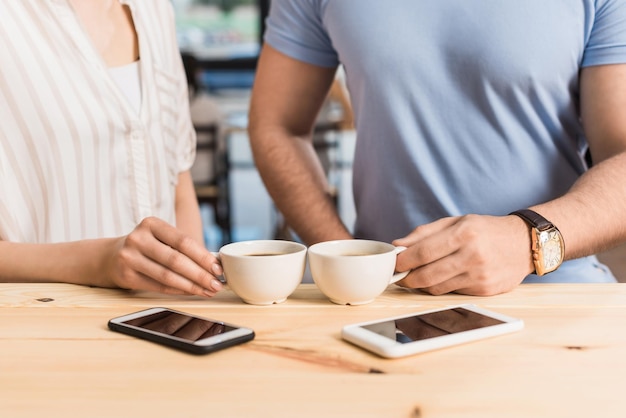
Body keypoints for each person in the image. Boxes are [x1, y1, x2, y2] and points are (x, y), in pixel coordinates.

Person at [248, 1, 626, 295]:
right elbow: (276, 126)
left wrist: (527, 242)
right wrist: (347, 258)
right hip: (387, 301)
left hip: (556, 294)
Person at [0, 0, 223, 297]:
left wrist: (197, 298)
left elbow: (179, 193)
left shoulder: (156, 10)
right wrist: (99, 262)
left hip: (168, 327)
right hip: (48, 331)